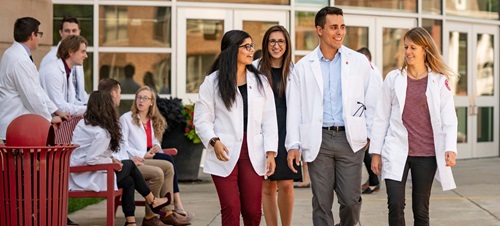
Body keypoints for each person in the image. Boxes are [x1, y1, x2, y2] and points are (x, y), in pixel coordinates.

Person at [285, 7, 381, 226]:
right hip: (319, 140)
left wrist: (369, 135)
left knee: (350, 201)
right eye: (334, 27)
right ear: (319, 30)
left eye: (342, 27)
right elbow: (295, 109)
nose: (340, 32)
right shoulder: (303, 67)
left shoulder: (358, 62)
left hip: (350, 140)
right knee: (321, 202)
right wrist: (293, 145)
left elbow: (373, 101)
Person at [370, 27, 458, 226]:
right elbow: (381, 117)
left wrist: (450, 148)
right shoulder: (393, 78)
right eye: (406, 47)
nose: (408, 52)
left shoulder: (439, 81)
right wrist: (376, 153)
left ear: (425, 50)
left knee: (420, 209)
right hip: (395, 149)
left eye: (413, 48)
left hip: (425, 154)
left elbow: (449, 119)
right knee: (395, 204)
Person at [193, 30, 278, 226]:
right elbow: (201, 119)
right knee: (231, 208)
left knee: (253, 210)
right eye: (246, 47)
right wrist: (213, 141)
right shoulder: (212, 82)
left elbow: (269, 119)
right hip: (224, 150)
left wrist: (271, 152)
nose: (252, 51)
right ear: (232, 50)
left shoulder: (260, 82)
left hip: (253, 151)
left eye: (252, 46)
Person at [69, 91, 171, 226]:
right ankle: (152, 200)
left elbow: (91, 153)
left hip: (82, 172)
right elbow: (91, 159)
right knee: (129, 165)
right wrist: (111, 161)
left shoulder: (84, 123)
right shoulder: (101, 132)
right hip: (87, 176)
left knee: (129, 181)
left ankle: (131, 222)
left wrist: (111, 159)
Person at [119, 86, 192, 226]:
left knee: (169, 166)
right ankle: (152, 216)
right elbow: (123, 145)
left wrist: (157, 146)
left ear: (151, 102)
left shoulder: (153, 119)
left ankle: (168, 212)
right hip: (133, 158)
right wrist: (142, 154)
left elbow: (155, 140)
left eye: (145, 98)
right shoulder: (127, 119)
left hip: (148, 155)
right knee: (161, 169)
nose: (141, 101)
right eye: (139, 97)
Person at [253, 25, 300, 226]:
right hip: (264, 132)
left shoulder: (294, 70)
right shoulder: (254, 69)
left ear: (287, 44)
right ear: (266, 44)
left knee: (287, 184)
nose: (276, 45)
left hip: (288, 130)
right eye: (272, 41)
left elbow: (300, 107)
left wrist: (296, 143)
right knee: (267, 186)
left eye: (281, 41)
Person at [0, 17, 69, 141]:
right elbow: (31, 97)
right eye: (39, 34)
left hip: (16, 126)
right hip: (18, 129)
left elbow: (36, 88)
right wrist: (48, 119)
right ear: (32, 35)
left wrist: (56, 110)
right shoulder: (20, 60)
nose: (39, 38)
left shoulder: (12, 53)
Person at [40, 16, 88, 105]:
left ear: (79, 32)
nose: (71, 34)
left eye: (74, 31)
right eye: (67, 31)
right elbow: (53, 100)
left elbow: (79, 91)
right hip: (61, 113)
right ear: (61, 33)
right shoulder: (50, 59)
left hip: (76, 108)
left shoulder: (78, 56)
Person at [39, 35, 88, 117]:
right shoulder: (53, 72)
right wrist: (88, 110)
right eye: (83, 51)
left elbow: (71, 101)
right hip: (47, 123)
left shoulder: (68, 70)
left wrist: (90, 106)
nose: (86, 56)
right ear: (71, 52)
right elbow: (60, 108)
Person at [356, 47, 382, 194]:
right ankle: (372, 180)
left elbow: (371, 104)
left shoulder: (371, 74)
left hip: (369, 122)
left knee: (367, 153)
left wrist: (369, 132)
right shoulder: (372, 71)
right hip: (368, 121)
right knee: (366, 153)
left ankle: (374, 182)